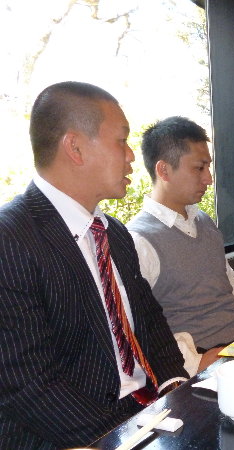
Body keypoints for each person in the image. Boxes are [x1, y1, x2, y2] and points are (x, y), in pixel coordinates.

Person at [0, 82, 188, 449]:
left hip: (146, 412)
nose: (131, 156)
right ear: (75, 147)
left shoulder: (113, 232)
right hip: (73, 434)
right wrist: (122, 435)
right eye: (122, 141)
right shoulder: (11, 238)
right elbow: (29, 384)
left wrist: (177, 388)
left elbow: (148, 319)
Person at [127, 116, 234, 376]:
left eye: (208, 167)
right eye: (199, 168)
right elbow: (137, 327)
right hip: (205, 361)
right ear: (164, 171)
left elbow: (230, 286)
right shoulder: (138, 240)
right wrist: (194, 363)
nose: (209, 179)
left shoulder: (203, 220)